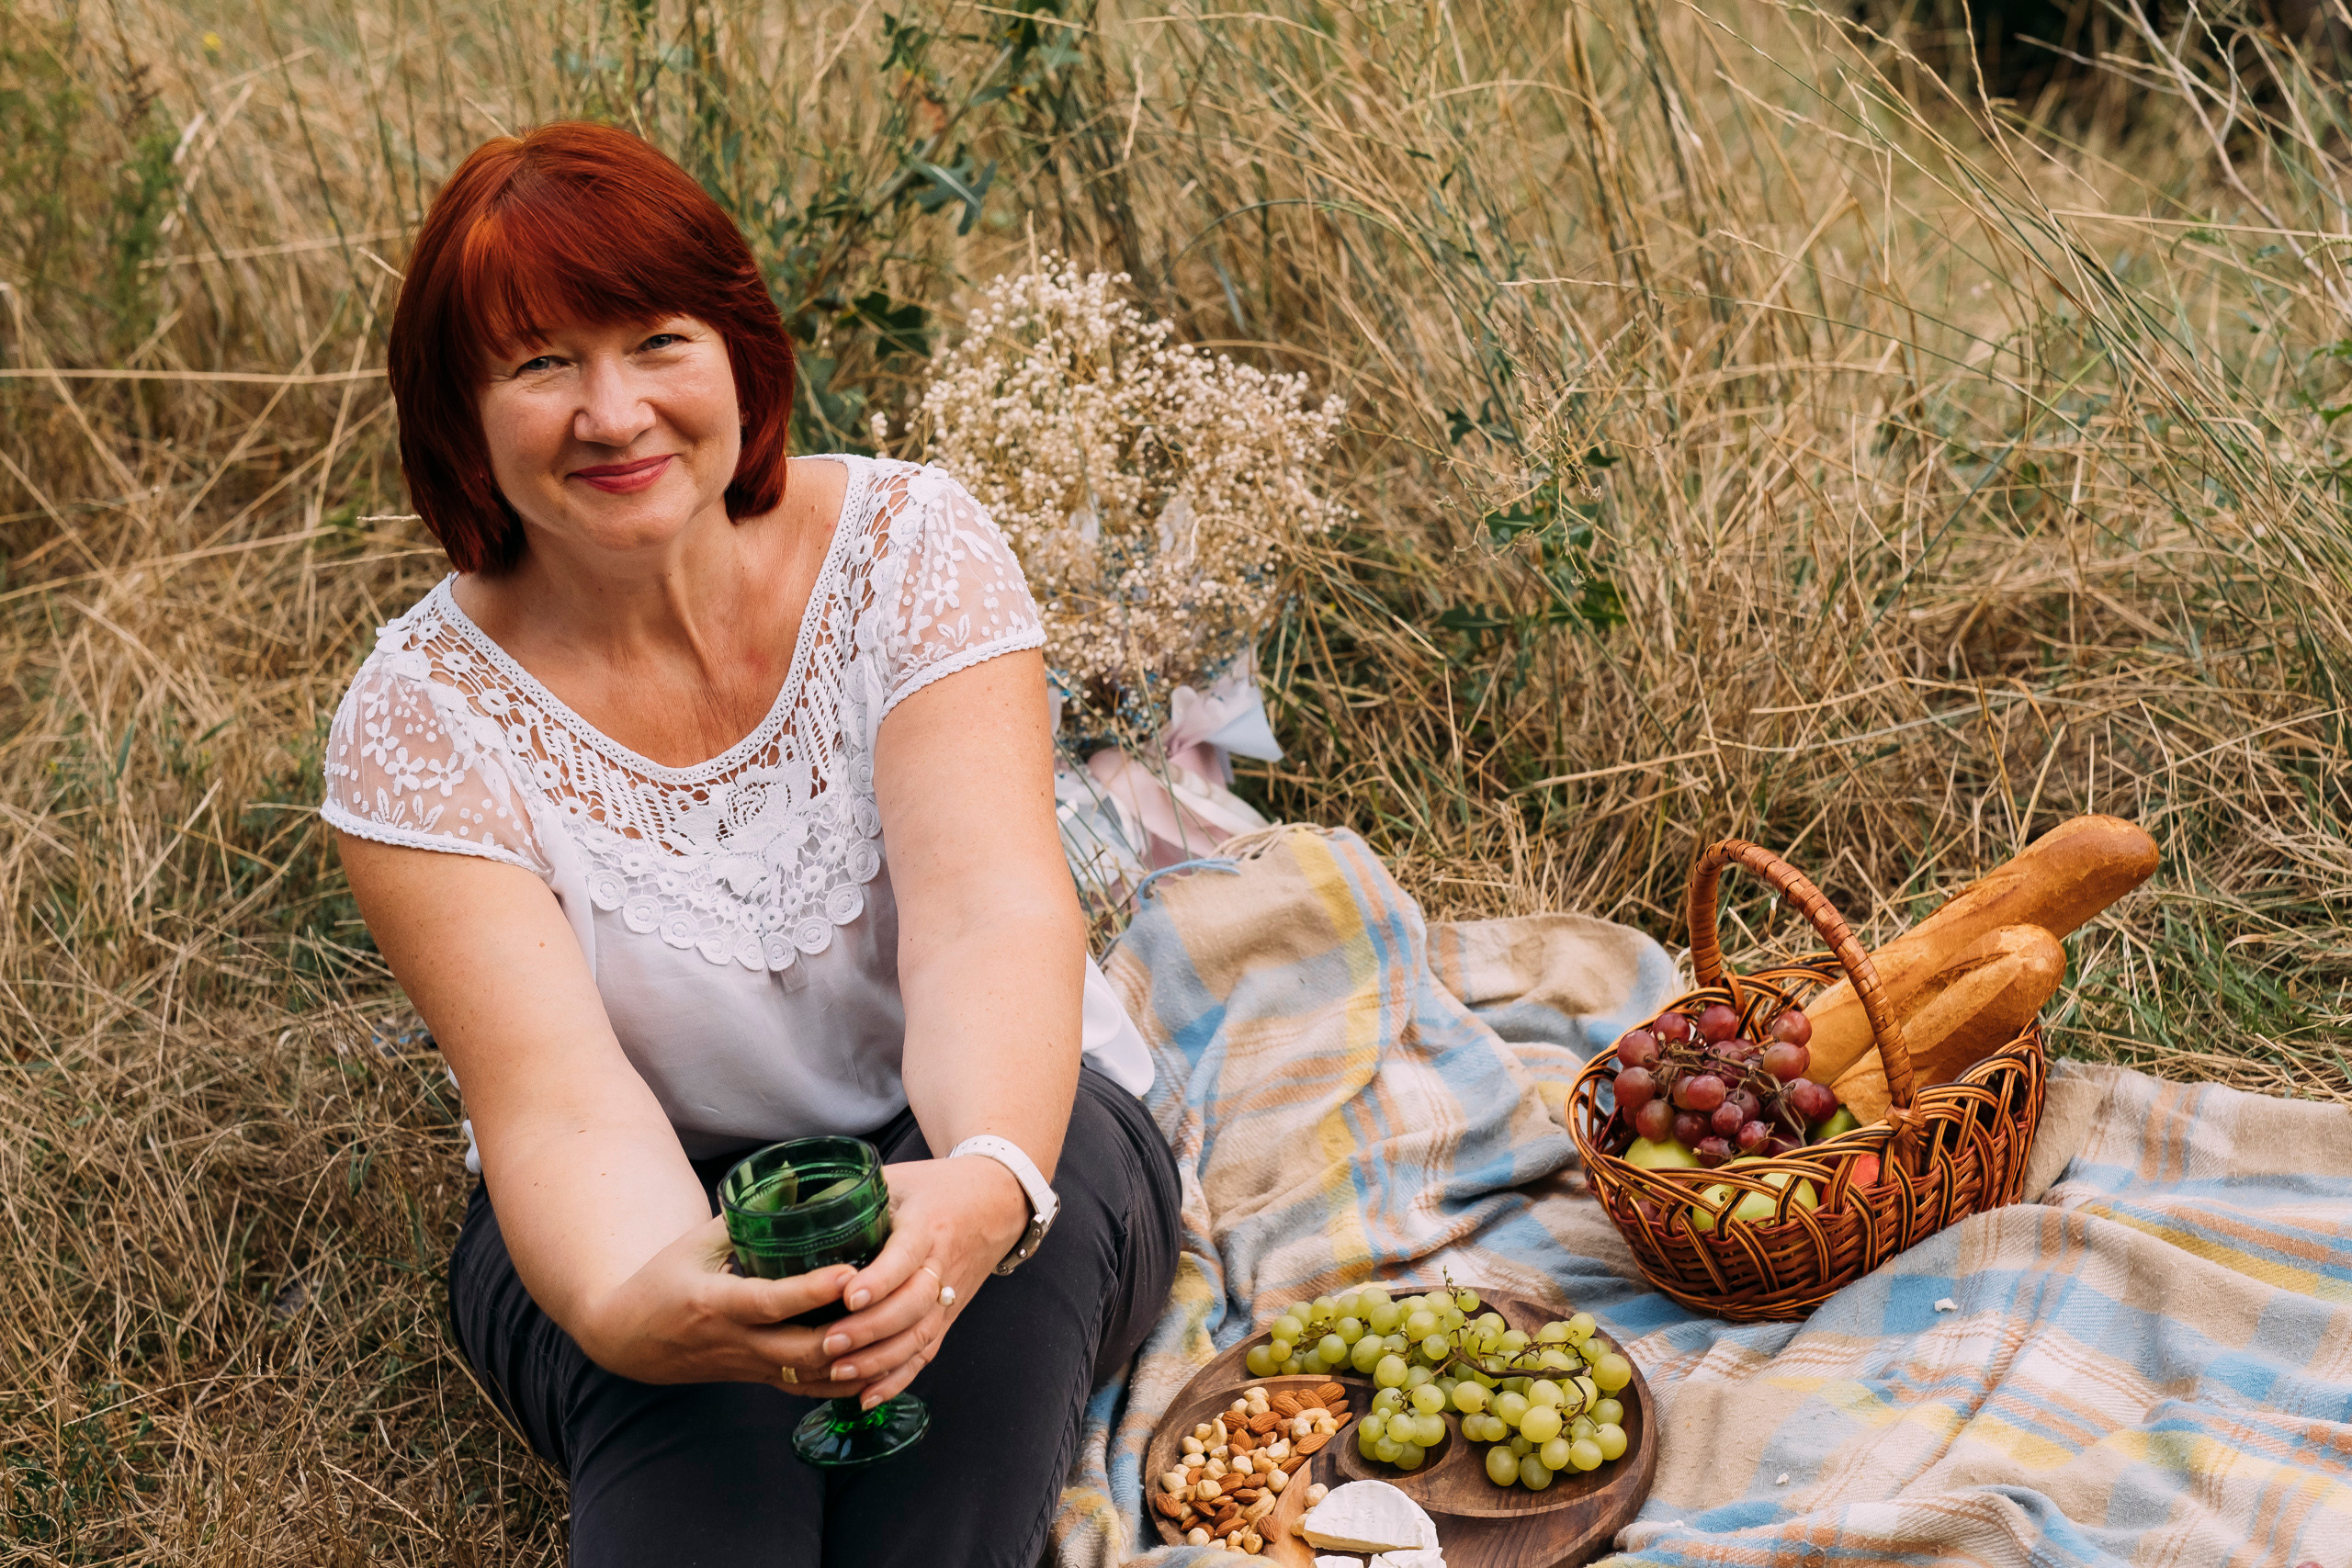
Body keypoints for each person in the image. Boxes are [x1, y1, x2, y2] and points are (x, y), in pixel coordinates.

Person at [324, 120, 1182, 1567]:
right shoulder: (420, 725)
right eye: (542, 365)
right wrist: (645, 1302)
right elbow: (557, 1106)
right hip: (625, 1211)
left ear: (739, 354)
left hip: (1002, 1132)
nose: (613, 414)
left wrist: (978, 1192)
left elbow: (990, 922)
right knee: (701, 1497)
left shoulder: (911, 549)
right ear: (456, 416)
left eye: (657, 340)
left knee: (942, 1487)